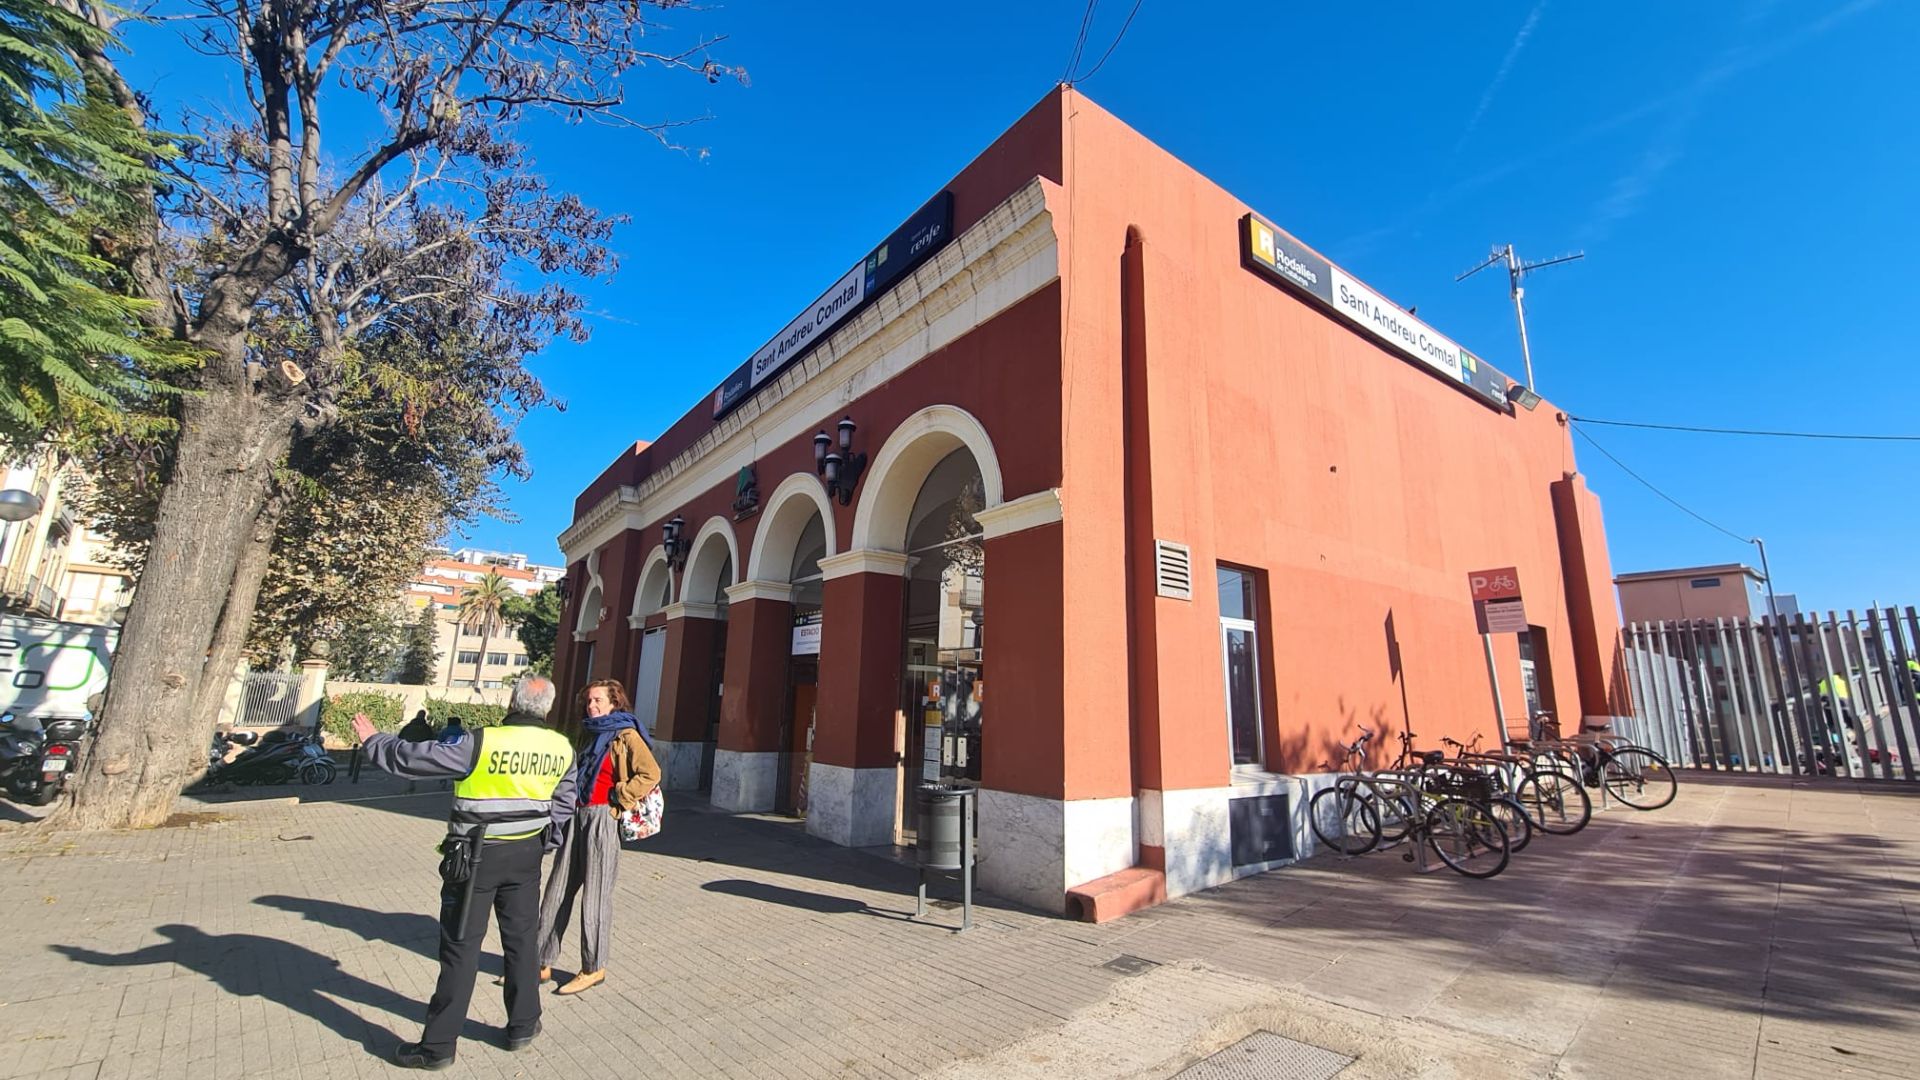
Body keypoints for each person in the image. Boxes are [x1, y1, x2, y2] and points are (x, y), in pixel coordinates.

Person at [351, 675, 572, 1070]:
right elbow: (565, 801)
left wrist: (374, 741)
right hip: (526, 855)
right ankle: (523, 1024)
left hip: (476, 855)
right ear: (548, 708)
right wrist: (545, 841)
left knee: (460, 946)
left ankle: (437, 1047)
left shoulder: (481, 740)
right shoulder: (561, 747)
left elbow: (416, 759)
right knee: (521, 941)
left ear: (512, 701)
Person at [535, 678, 659, 996]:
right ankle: (539, 961)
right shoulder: (588, 733)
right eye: (589, 701)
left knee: (596, 895)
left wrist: (620, 796)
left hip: (604, 816)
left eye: (599, 700)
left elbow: (650, 773)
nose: (592, 706)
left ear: (614, 702)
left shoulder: (626, 734)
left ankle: (593, 967)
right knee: (557, 889)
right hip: (576, 816)